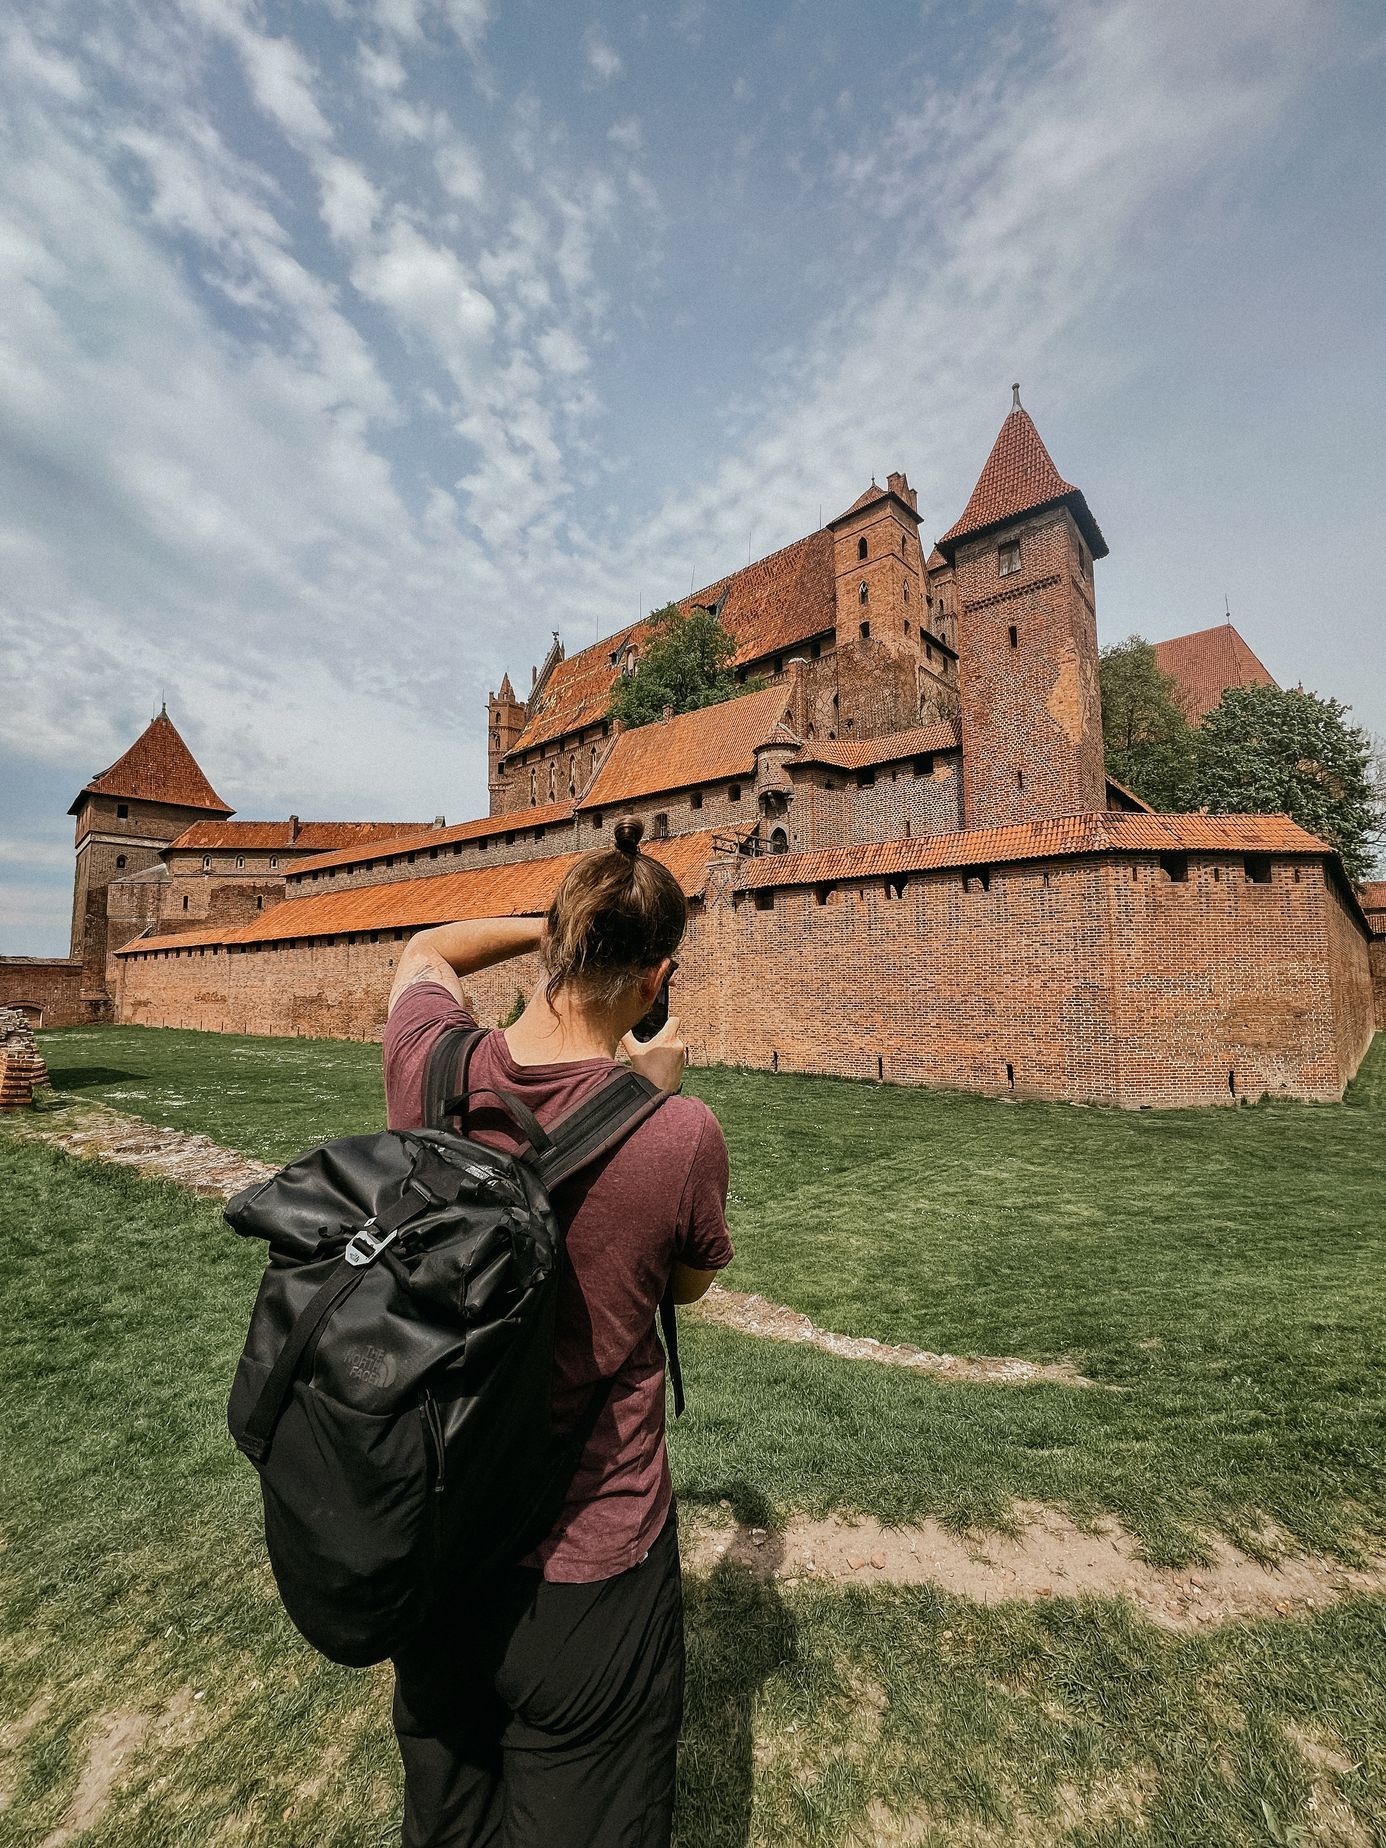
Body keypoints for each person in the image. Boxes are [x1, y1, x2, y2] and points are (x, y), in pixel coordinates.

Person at [380, 815, 733, 1848]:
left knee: (449, 1819)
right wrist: (650, 1099)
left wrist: (552, 925)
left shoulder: (429, 1066)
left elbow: (426, 951)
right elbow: (687, 1288)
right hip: (591, 1560)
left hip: (437, 1535)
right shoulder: (680, 1134)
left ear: (559, 946)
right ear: (658, 979)